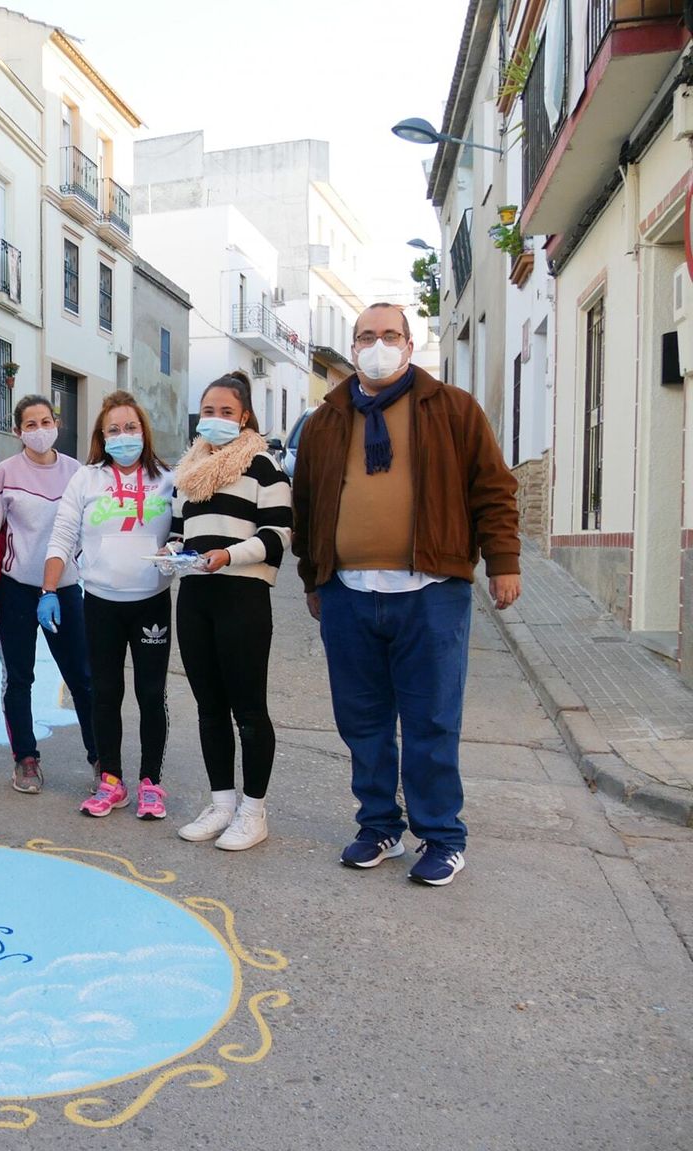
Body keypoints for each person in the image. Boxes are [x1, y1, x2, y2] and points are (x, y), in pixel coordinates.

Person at [293, 302, 520, 887]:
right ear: (352, 346)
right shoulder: (326, 419)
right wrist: (314, 578)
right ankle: (378, 827)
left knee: (432, 721)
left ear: (410, 344)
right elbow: (307, 505)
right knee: (361, 721)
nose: (377, 345)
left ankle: (442, 836)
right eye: (366, 336)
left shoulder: (452, 409)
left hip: (431, 592)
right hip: (348, 592)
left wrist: (503, 563)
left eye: (389, 334)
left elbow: (493, 489)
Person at [170, 371, 292, 851]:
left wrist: (228, 555)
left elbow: (278, 535)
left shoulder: (264, 466)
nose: (216, 420)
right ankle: (221, 803)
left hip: (242, 594)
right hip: (197, 596)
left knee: (249, 708)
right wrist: (172, 550)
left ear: (244, 417)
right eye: (208, 412)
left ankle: (253, 811)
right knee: (208, 706)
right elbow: (181, 533)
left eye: (226, 412)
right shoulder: (189, 473)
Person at [42, 391, 175, 819]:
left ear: (144, 431)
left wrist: (178, 550)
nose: (123, 436)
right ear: (102, 436)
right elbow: (62, 535)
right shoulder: (86, 479)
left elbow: (183, 535)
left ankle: (151, 782)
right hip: (100, 603)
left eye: (131, 428)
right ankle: (111, 779)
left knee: (151, 693)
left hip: (151, 602)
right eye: (114, 430)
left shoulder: (167, 479)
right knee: (105, 692)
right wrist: (48, 591)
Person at [0, 394, 98, 794]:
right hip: (15, 589)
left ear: (57, 424)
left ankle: (100, 758)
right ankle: (26, 759)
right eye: (29, 425)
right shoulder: (4, 473)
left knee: (83, 676)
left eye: (45, 422)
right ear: (17, 431)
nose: (39, 431)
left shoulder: (77, 472)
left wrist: (81, 568)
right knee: (18, 677)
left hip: (65, 590)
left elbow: (89, 527)